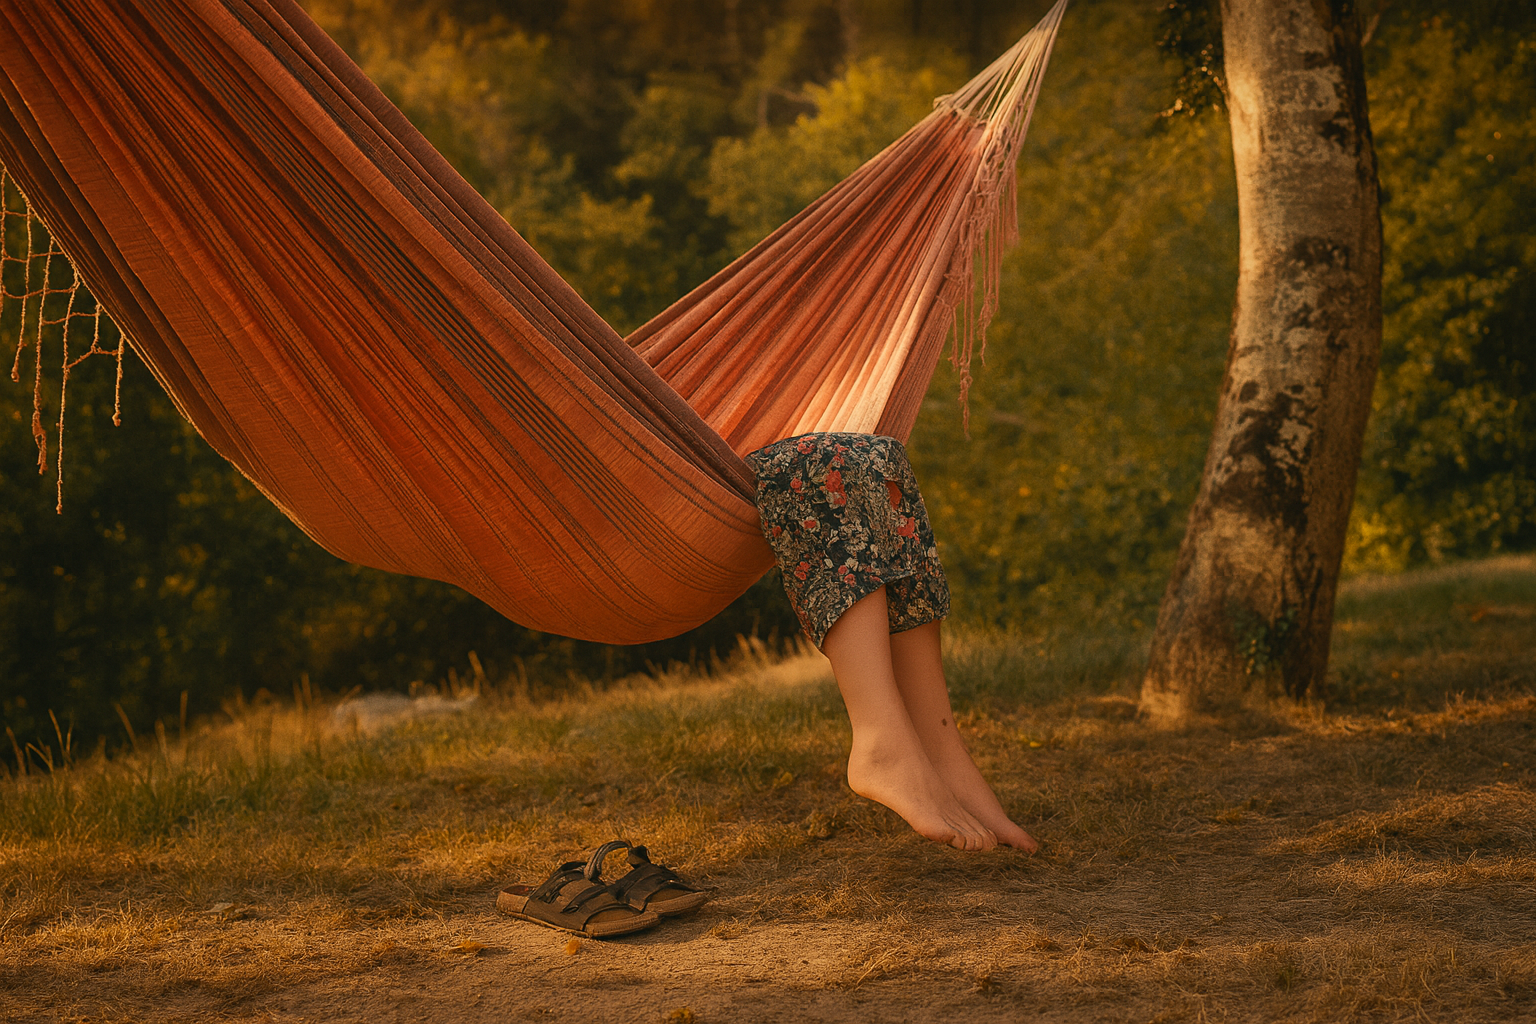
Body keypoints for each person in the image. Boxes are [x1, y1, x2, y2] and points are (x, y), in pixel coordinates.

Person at [747, 433, 1038, 852]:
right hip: (662, 471)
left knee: (879, 462)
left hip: (714, 447)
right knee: (824, 466)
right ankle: (881, 743)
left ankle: (939, 752)